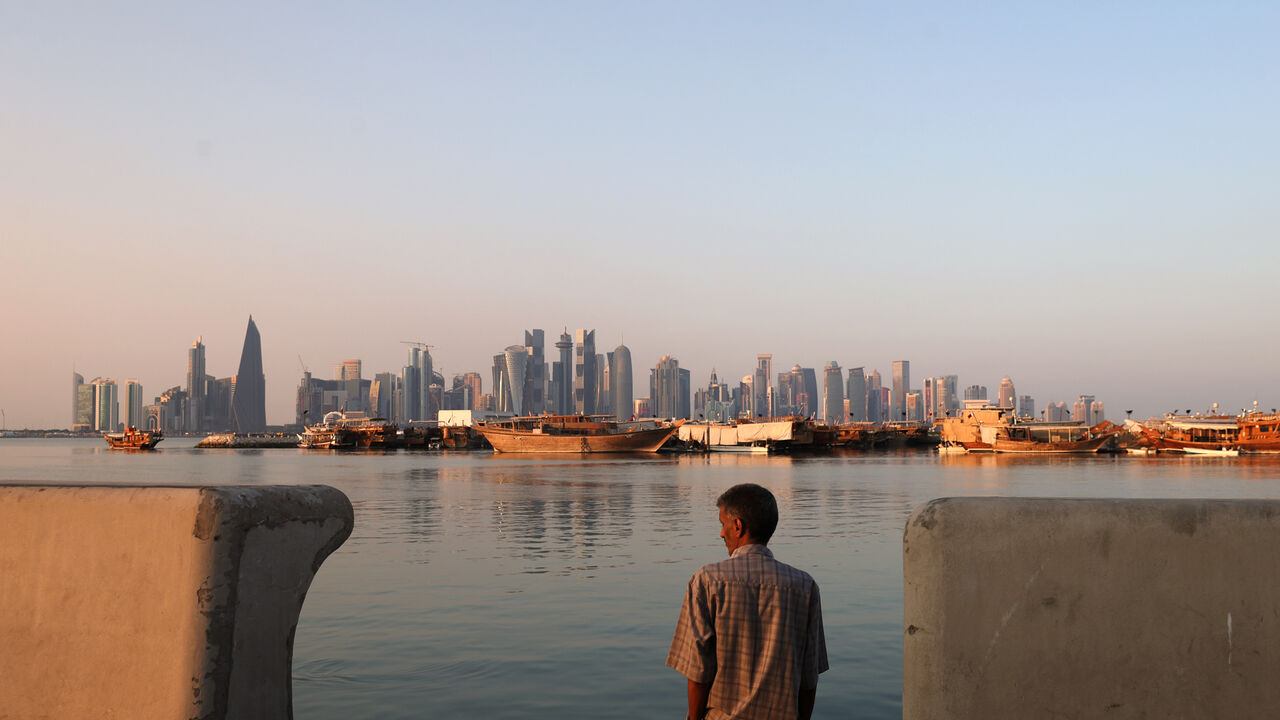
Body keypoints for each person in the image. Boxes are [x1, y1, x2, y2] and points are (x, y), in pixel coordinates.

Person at [667, 483, 829, 720]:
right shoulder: (805, 586)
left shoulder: (707, 581)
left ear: (738, 526)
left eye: (723, 524)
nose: (722, 533)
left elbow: (699, 672)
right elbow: (808, 677)